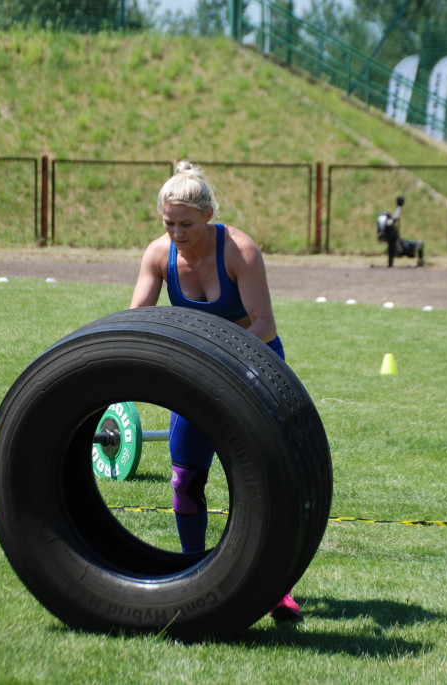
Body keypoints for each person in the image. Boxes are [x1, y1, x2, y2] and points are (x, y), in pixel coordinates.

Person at [130, 160, 300, 622]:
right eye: (168, 224)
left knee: (271, 482)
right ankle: (193, 571)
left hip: (255, 363)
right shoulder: (156, 255)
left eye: (186, 224)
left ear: (208, 215)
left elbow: (264, 324)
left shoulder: (240, 250)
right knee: (185, 481)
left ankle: (279, 588)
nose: (177, 233)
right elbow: (136, 320)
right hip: (197, 373)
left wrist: (216, 358)